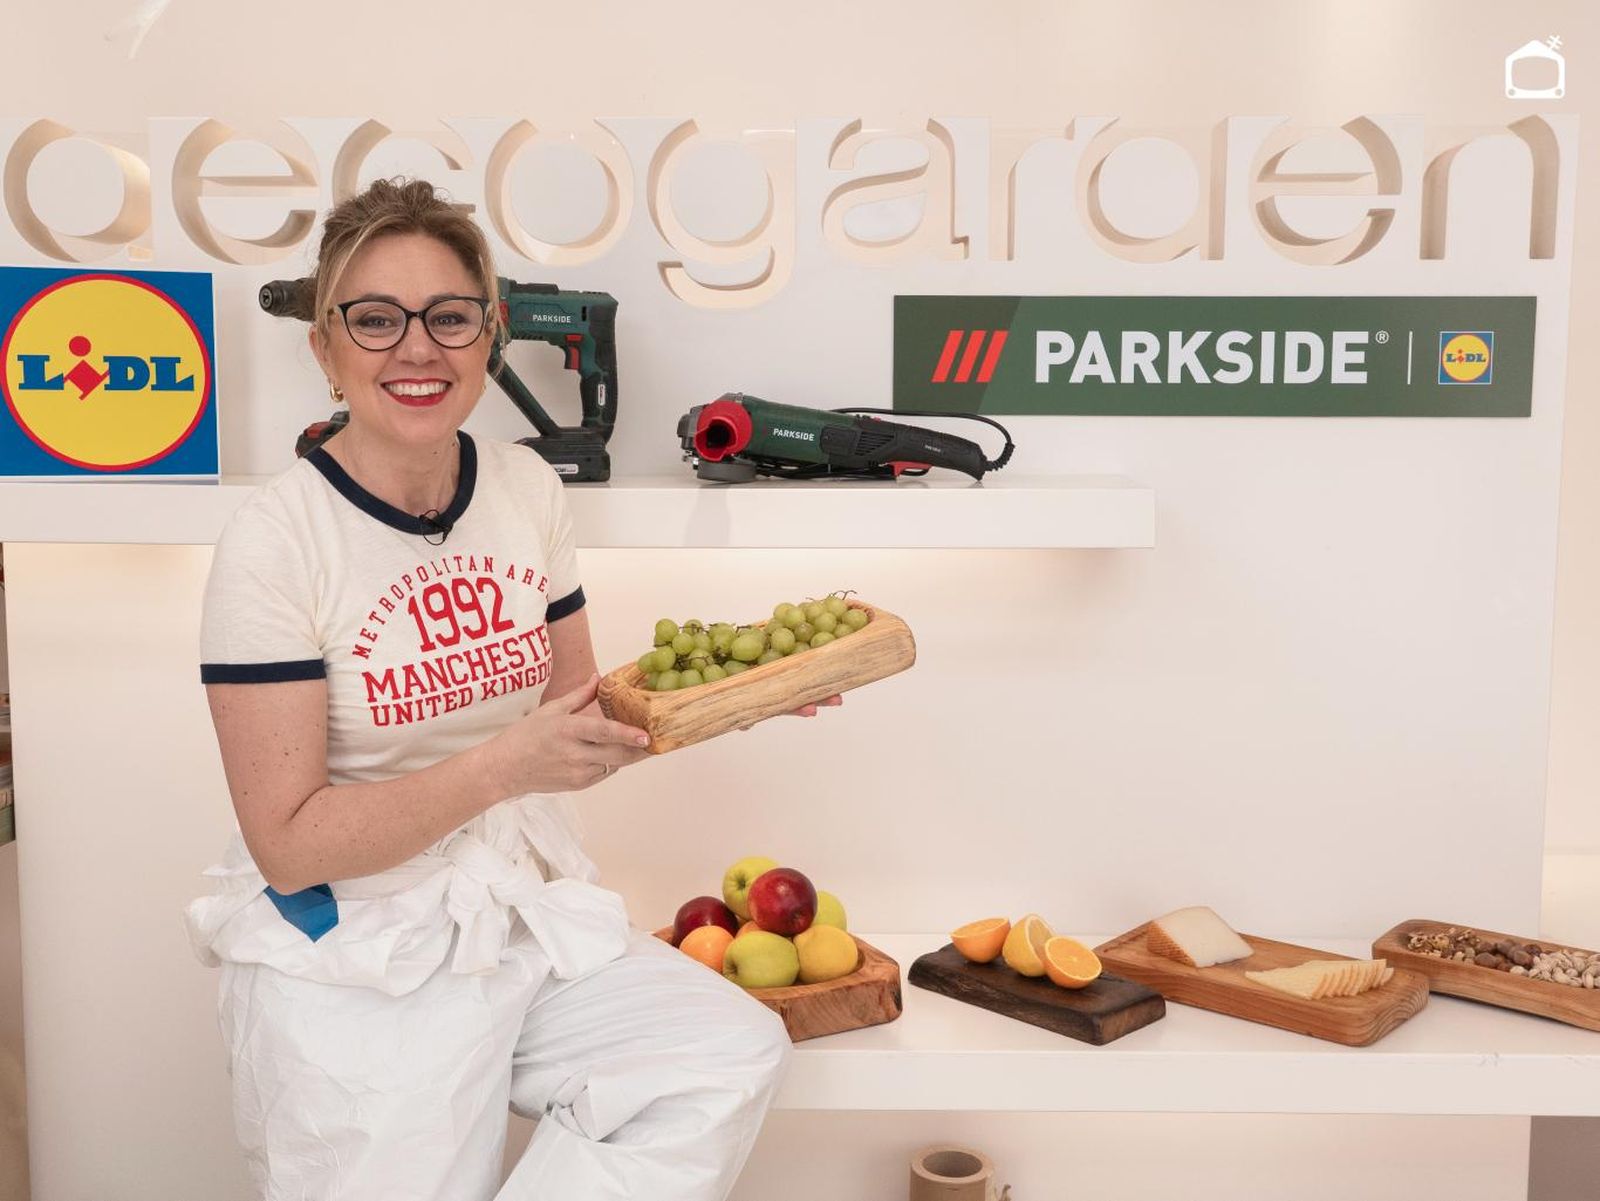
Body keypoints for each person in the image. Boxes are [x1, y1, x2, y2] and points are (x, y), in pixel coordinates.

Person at [186, 178, 803, 1201]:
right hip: (354, 960)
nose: (416, 347)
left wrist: (747, 689)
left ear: (491, 335)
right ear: (326, 347)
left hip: (507, 920)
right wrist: (499, 769)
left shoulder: (522, 488)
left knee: (716, 1053)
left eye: (450, 316)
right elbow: (287, 841)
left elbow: (575, 719)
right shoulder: (277, 538)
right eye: (376, 319)